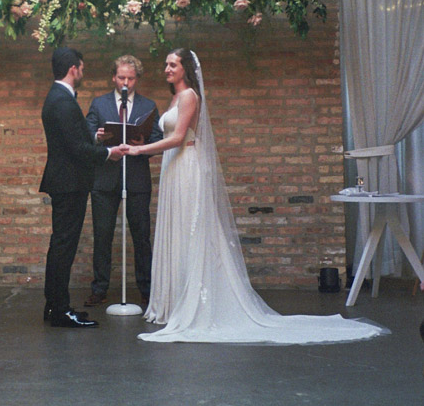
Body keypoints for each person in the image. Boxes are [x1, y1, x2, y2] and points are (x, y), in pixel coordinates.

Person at [126, 49, 388, 343]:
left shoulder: (188, 97)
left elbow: (177, 137)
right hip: (175, 165)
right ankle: (174, 300)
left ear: (185, 69)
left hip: (186, 166)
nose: (166, 69)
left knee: (191, 230)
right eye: (166, 64)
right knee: (178, 231)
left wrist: (138, 150)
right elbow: (169, 138)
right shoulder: (176, 98)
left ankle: (192, 302)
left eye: (172, 64)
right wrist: (141, 141)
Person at [39, 47, 126, 328]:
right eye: (82, 68)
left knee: (60, 245)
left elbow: (74, 140)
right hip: (69, 183)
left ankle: (54, 306)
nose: (83, 73)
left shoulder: (57, 98)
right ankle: (60, 310)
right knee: (64, 246)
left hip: (66, 182)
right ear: (73, 69)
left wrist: (95, 139)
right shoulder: (63, 101)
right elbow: (75, 148)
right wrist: (107, 153)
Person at [84, 54, 161, 308]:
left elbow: (159, 140)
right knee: (102, 235)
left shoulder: (148, 105)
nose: (125, 82)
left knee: (141, 236)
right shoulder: (99, 103)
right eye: (121, 77)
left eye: (130, 78)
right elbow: (86, 134)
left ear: (137, 78)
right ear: (113, 77)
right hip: (105, 179)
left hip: (137, 178)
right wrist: (98, 135)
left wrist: (144, 144)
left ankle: (146, 289)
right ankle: (100, 288)